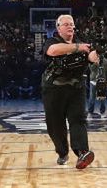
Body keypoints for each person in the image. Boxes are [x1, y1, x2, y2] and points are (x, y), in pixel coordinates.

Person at [42, 14, 99, 169]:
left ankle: (82, 153)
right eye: (65, 24)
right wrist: (77, 47)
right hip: (54, 88)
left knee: (78, 119)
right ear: (58, 28)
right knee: (55, 124)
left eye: (71, 24)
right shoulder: (52, 41)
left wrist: (93, 57)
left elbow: (92, 57)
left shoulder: (83, 43)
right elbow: (53, 51)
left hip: (76, 88)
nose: (69, 26)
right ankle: (62, 152)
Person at [86, 49, 107, 118]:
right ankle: (90, 112)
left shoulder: (105, 60)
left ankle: (102, 112)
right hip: (93, 81)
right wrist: (95, 64)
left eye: (102, 53)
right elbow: (91, 69)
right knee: (92, 98)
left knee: (102, 99)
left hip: (102, 81)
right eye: (99, 53)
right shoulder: (92, 59)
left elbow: (106, 71)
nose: (101, 55)